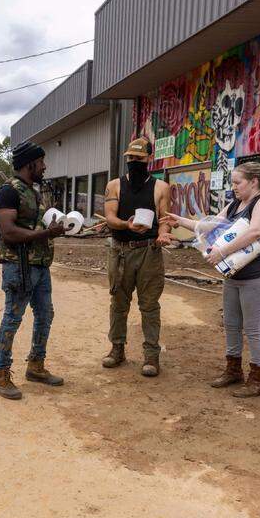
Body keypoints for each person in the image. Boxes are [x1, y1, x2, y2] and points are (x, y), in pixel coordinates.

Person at [168, 162, 260, 397]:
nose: (233, 187)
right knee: (231, 324)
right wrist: (178, 220)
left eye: (237, 182)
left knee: (253, 328)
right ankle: (233, 370)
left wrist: (222, 252)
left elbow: (256, 231)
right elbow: (207, 227)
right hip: (235, 274)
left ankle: (258, 379)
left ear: (253, 181)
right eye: (232, 183)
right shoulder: (234, 205)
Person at [0, 141, 67, 400]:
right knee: (12, 318)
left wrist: (55, 228)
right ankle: (0, 374)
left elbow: (34, 226)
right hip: (19, 267)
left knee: (45, 314)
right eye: (41, 162)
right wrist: (46, 233)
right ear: (29, 164)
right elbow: (8, 232)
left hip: (40, 265)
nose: (44, 166)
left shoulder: (32, 191)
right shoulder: (8, 191)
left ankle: (35, 365)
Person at [101, 137, 176, 377]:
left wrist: (163, 233)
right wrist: (126, 224)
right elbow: (110, 217)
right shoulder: (114, 185)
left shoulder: (161, 187)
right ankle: (117, 349)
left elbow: (164, 219)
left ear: (148, 159)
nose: (134, 161)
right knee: (118, 303)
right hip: (120, 251)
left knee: (150, 305)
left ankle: (151, 355)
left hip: (149, 252)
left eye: (139, 158)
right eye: (131, 158)